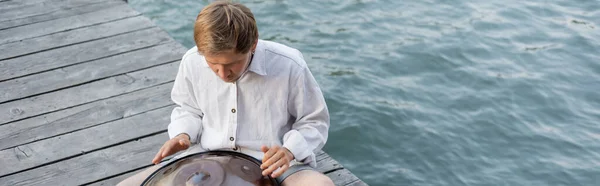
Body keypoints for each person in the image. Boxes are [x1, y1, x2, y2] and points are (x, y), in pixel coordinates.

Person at [117, 1, 333, 185]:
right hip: (209, 156)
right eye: (213, 64)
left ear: (253, 44)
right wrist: (183, 134)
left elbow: (314, 121)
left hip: (273, 164)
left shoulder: (289, 65)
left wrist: (289, 150)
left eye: (232, 64)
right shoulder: (192, 61)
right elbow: (188, 109)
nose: (222, 74)